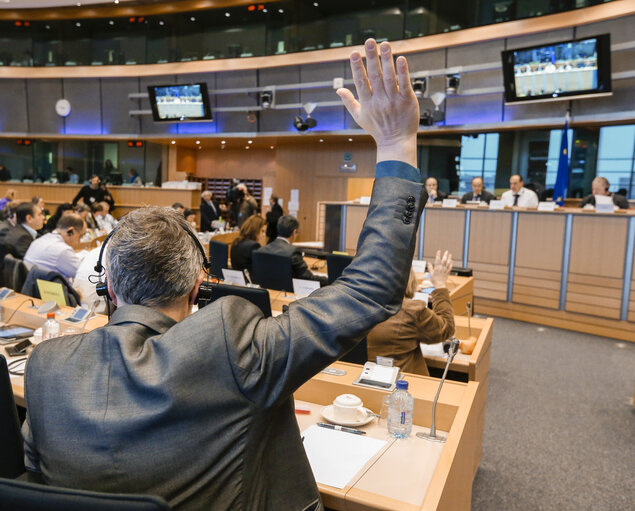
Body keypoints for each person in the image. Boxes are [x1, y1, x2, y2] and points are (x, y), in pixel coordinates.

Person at [22, 39, 425, 511]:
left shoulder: (45, 366)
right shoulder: (233, 350)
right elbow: (371, 288)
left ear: (109, 287)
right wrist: (397, 143)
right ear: (197, 286)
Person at [367, 251, 455, 376]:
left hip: (357, 382)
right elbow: (447, 328)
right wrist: (440, 285)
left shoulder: (354, 305)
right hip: (402, 386)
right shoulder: (411, 311)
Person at [255, 214, 328, 285]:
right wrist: (328, 279)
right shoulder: (293, 252)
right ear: (294, 232)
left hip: (269, 291)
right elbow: (307, 278)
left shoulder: (261, 250)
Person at [24, 214, 86, 280]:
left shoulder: (39, 240)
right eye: (81, 236)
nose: (79, 241)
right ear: (71, 231)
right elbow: (83, 275)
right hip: (50, 288)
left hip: (31, 286)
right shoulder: (63, 250)